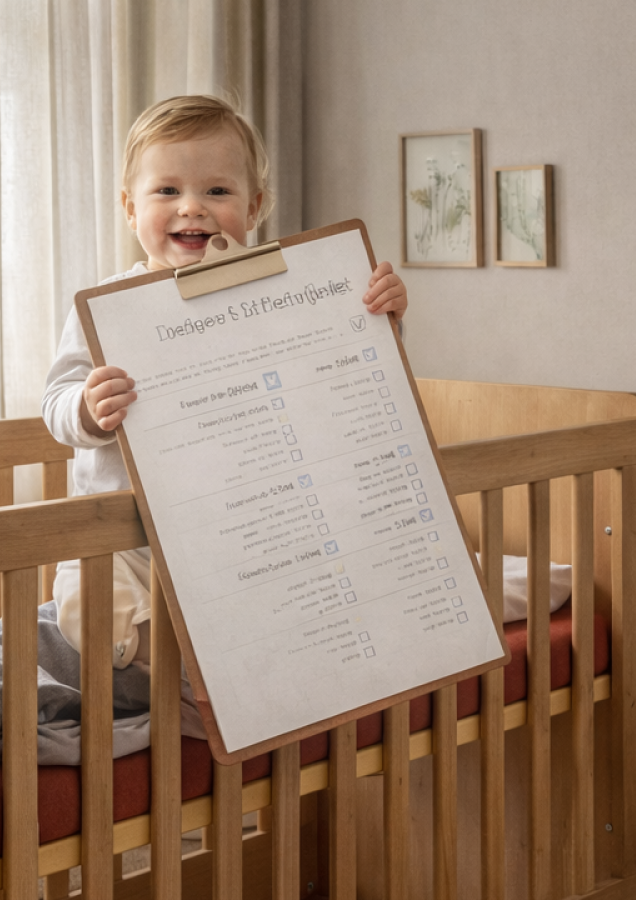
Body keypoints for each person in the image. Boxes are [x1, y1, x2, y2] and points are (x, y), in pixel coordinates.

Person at [44, 95, 409, 671]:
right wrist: (87, 408)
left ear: (255, 205)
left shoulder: (275, 295)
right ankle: (141, 657)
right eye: (167, 191)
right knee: (88, 595)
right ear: (130, 209)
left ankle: (209, 654)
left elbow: (332, 369)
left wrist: (378, 319)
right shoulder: (108, 307)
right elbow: (55, 401)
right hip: (123, 538)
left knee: (290, 581)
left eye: (217, 191)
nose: (193, 208)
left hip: (233, 529)